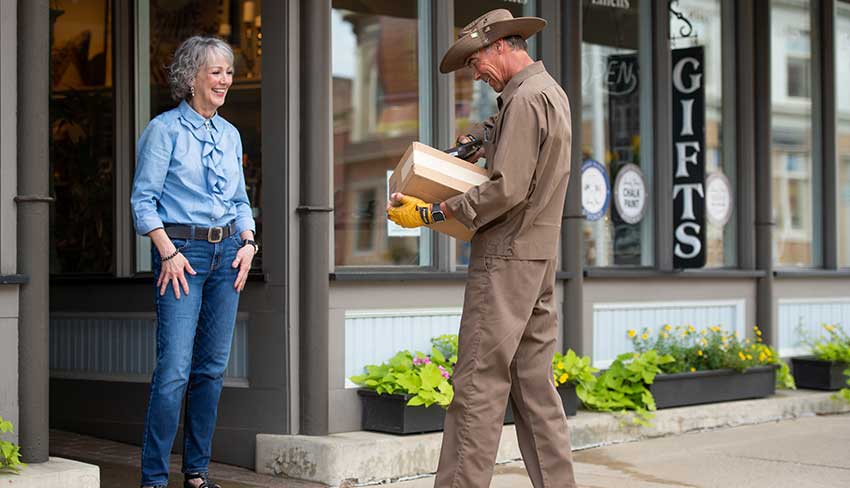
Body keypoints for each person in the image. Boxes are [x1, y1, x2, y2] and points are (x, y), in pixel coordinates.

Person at [387, 9, 577, 488]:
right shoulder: (547, 92)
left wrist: (429, 213)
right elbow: (505, 129)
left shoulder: (525, 102)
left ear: (500, 46)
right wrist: (473, 140)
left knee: (476, 387)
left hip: (505, 259)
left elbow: (505, 189)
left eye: (475, 61)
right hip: (536, 258)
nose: (475, 72)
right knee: (535, 388)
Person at [131, 35, 258, 488]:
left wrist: (248, 243)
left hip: (228, 257)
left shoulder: (229, 134)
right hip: (181, 255)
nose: (225, 80)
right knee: (174, 372)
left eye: (228, 72)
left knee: (211, 370)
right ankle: (153, 479)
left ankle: (197, 473)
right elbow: (143, 201)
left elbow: (242, 201)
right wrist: (167, 251)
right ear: (191, 78)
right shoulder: (163, 130)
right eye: (215, 71)